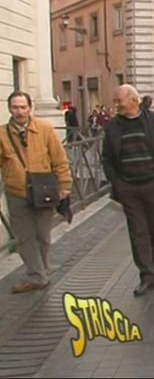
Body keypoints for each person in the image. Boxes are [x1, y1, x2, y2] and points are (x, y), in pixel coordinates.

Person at [102, 84, 154, 296]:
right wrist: (116, 182)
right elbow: (107, 157)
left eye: (119, 101)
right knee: (137, 231)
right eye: (115, 101)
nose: (116, 105)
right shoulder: (113, 127)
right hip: (128, 187)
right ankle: (146, 274)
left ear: (133, 100)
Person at [0, 91, 72, 293]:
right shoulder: (2, 134)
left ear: (30, 108)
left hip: (43, 190)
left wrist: (65, 185)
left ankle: (40, 271)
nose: (19, 111)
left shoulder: (45, 129)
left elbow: (59, 159)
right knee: (25, 237)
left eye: (23, 107)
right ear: (10, 109)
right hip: (17, 192)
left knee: (42, 236)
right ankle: (37, 275)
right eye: (15, 107)